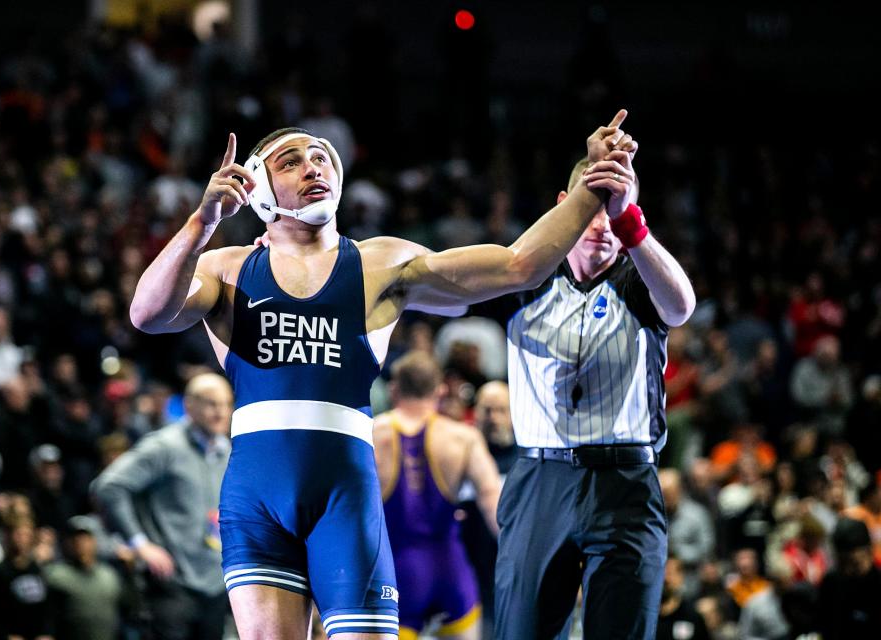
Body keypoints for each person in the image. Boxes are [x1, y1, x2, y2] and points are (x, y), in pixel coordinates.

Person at [129, 110, 638, 639]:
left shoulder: (382, 264)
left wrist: (593, 185)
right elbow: (148, 313)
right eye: (292, 161)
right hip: (258, 499)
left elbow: (515, 266)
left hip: (345, 498)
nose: (313, 167)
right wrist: (201, 225)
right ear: (256, 186)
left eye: (322, 157)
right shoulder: (226, 266)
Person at [493, 150, 696, 639]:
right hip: (540, 480)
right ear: (565, 205)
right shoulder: (525, 276)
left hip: (624, 481)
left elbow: (682, 306)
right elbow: (436, 280)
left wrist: (633, 223)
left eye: (615, 208)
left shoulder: (640, 277)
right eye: (591, 206)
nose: (602, 222)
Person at [90, 373, 232, 640]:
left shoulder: (227, 452)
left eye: (226, 404)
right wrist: (140, 543)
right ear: (189, 406)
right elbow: (109, 486)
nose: (221, 412)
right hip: (172, 585)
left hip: (215, 585)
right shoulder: (165, 446)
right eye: (212, 403)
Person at [372, 352, 502, 640]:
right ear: (440, 390)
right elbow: (493, 500)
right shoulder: (462, 437)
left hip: (395, 573)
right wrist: (519, 559)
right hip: (451, 571)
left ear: (394, 389)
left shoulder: (370, 434)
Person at [44, 515, 124, 640]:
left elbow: (128, 608)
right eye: (74, 538)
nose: (79, 543)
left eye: (85, 538)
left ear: (94, 541)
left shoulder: (109, 575)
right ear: (65, 543)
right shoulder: (54, 575)